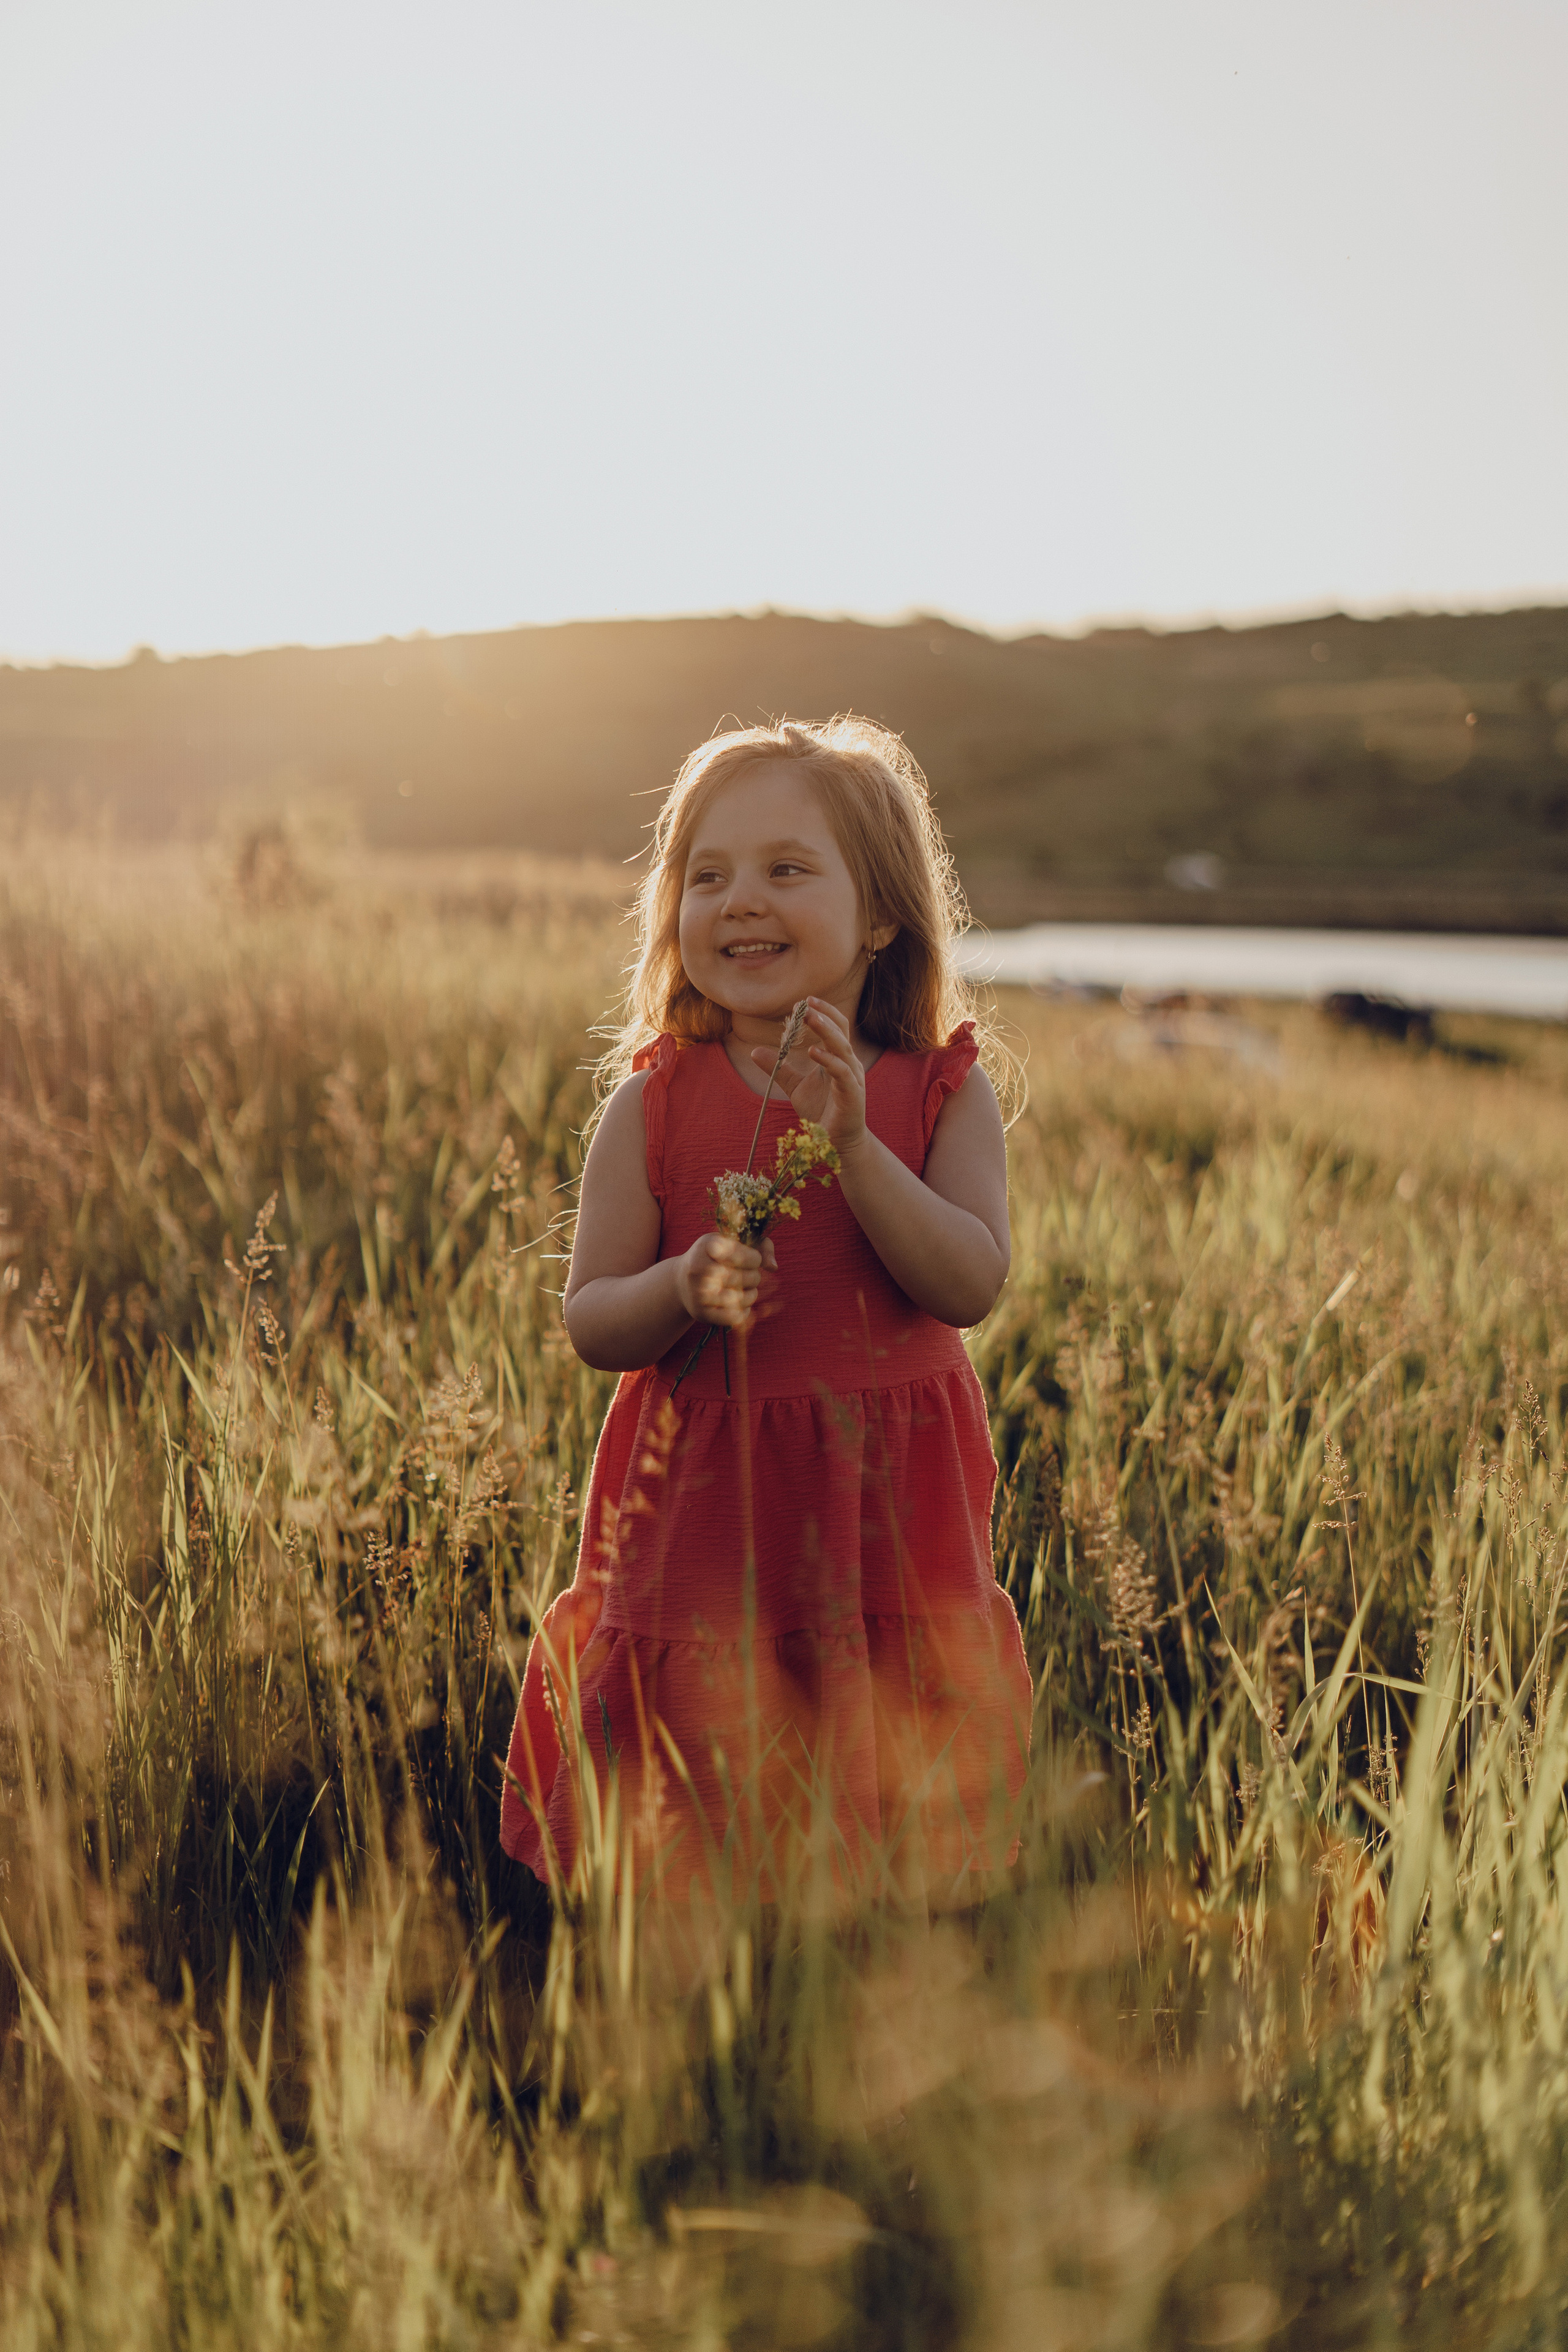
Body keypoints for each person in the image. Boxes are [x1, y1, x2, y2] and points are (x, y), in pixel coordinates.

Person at [499, 717, 1032, 1905]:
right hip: (706, 1503)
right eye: (706, 875)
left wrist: (847, 1140)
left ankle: (870, 1980)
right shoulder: (652, 1104)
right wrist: (681, 1287)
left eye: (786, 869)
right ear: (671, 913)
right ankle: (698, 1984)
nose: (740, 900)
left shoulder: (936, 1090)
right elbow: (591, 1318)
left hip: (881, 1508)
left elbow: (968, 1281)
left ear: (879, 913)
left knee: (873, 1735)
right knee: (699, 1771)